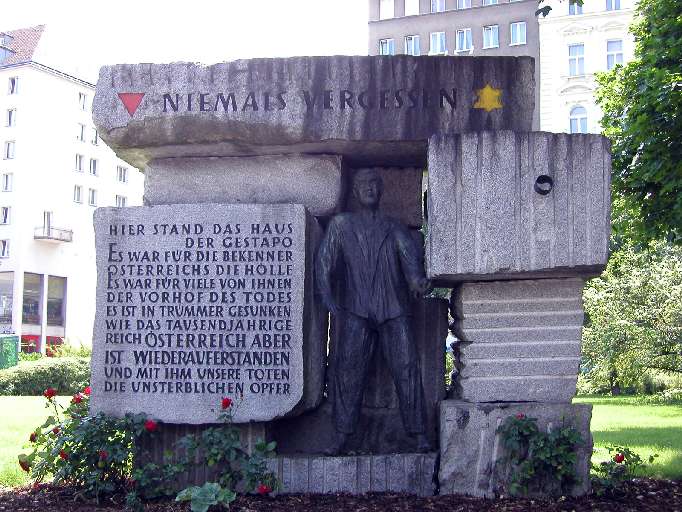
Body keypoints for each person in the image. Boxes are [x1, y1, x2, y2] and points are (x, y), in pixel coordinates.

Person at [316, 168, 432, 454]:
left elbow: (411, 263)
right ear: (354, 192)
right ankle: (343, 435)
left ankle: (418, 435)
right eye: (362, 185)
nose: (368, 188)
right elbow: (323, 263)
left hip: (394, 310)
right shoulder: (342, 225)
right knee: (348, 373)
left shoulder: (394, 227)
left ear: (381, 191)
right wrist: (328, 298)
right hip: (356, 311)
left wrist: (418, 283)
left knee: (407, 370)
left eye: (373, 184)